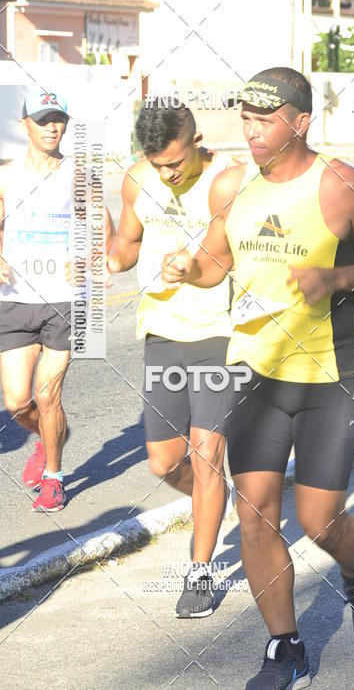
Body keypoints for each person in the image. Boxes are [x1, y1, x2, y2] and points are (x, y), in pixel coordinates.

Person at [161, 67, 354, 688]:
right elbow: (217, 259)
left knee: (322, 521)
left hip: (326, 376)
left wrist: (337, 279)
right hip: (251, 375)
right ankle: (284, 646)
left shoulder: (343, 184)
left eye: (266, 119)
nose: (253, 131)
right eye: (246, 118)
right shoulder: (233, 186)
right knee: (256, 515)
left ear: (300, 122)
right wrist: (190, 268)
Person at [107, 98, 237, 618]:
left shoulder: (225, 181)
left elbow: (219, 258)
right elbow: (127, 244)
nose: (169, 173)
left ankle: (199, 570)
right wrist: (108, 256)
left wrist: (191, 268)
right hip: (161, 334)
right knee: (164, 462)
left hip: (219, 334)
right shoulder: (139, 179)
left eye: (176, 162)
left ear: (196, 140)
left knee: (207, 457)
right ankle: (219, 498)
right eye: (160, 164)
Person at [0, 88, 114, 512]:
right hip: (15, 300)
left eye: (59, 119)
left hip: (66, 301)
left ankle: (53, 476)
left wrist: (84, 259)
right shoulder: (7, 176)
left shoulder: (79, 175)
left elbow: (103, 231)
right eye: (43, 118)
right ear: (24, 124)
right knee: (16, 401)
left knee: (48, 397)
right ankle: (51, 435)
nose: (52, 126)